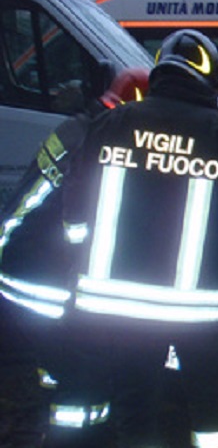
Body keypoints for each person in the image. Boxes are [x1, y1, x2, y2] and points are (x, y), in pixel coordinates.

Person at [53, 29, 218, 448]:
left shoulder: (112, 124)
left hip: (120, 306)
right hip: (203, 312)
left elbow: (75, 210)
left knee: (136, 407)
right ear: (211, 80)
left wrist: (81, 251)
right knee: (210, 412)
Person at [0, 67, 150, 446]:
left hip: (25, 275)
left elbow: (25, 201)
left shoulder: (74, 130)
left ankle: (45, 417)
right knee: (83, 390)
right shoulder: (109, 144)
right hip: (51, 287)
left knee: (54, 372)